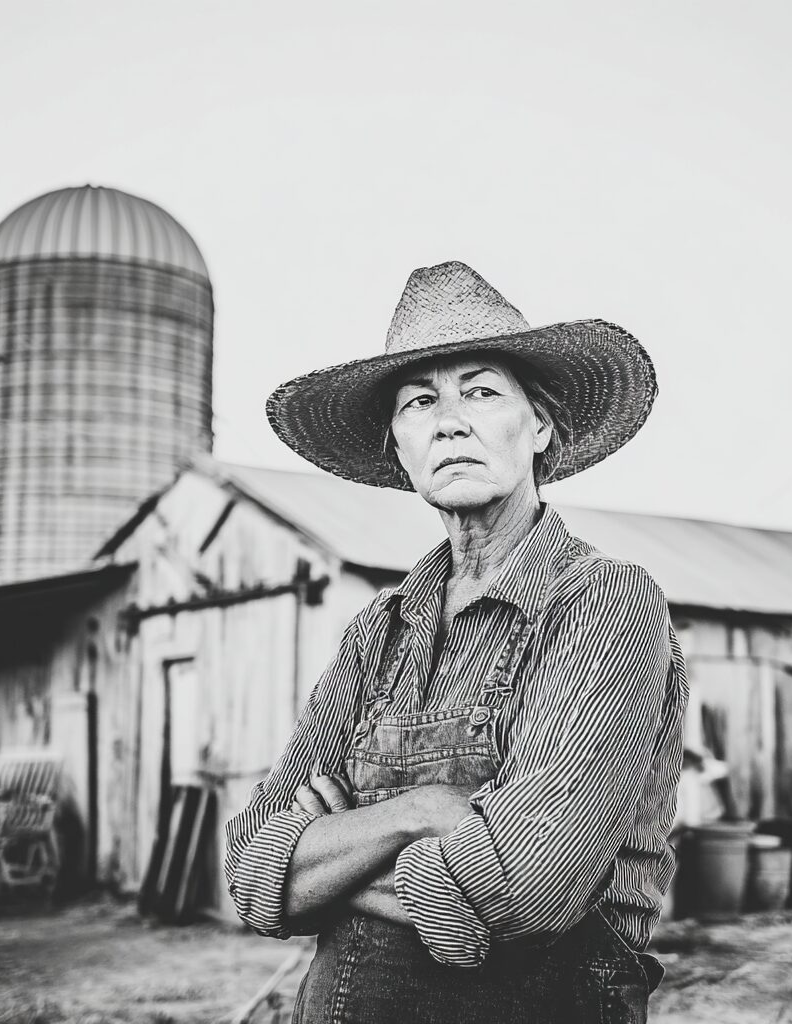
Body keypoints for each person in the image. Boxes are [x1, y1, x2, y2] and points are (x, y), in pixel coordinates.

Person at [225, 261, 689, 1023]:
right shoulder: (379, 629)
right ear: (398, 447)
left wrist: (332, 856)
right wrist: (423, 812)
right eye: (419, 402)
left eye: (481, 392)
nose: (449, 421)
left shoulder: (603, 600)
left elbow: (526, 890)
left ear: (538, 427)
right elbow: (250, 875)